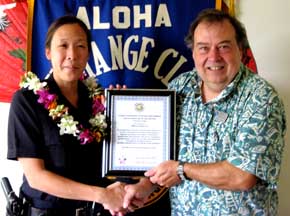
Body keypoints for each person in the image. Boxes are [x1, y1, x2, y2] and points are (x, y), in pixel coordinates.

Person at [123, 8, 286, 215]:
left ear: (241, 49)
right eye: (203, 48)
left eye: (223, 46)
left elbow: (242, 176)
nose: (213, 56)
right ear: (192, 52)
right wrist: (145, 186)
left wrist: (182, 170)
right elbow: (163, 155)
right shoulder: (179, 87)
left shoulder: (261, 98)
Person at [7, 15, 128, 216]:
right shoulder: (26, 101)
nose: (72, 55)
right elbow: (37, 177)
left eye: (80, 46)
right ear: (48, 53)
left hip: (97, 212)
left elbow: (119, 159)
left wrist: (123, 113)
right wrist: (101, 195)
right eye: (63, 46)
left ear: (88, 53)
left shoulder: (98, 100)